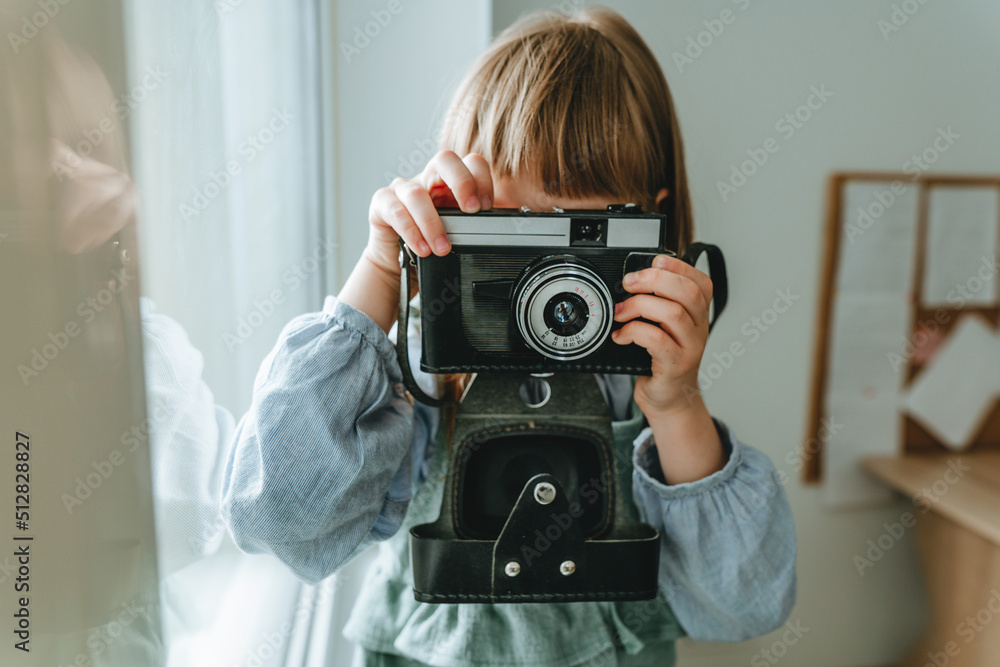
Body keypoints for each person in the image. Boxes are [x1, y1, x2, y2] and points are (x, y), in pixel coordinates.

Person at [221, 7, 796, 666]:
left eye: (573, 230)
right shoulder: (423, 374)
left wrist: (676, 405)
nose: (536, 277)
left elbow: (745, 605)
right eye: (505, 227)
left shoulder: (640, 380)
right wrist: (384, 272)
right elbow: (275, 519)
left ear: (649, 226)